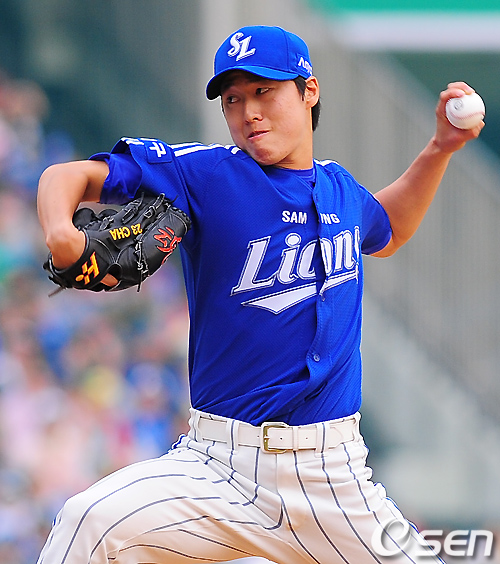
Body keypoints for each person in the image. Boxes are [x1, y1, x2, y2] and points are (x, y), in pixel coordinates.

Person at [36, 25, 482, 564]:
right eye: (233, 99)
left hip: (335, 479)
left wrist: (439, 148)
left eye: (264, 91)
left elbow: (388, 227)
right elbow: (67, 175)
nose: (248, 111)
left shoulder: (339, 188)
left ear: (308, 90)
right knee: (89, 521)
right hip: (217, 469)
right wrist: (61, 233)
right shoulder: (207, 175)